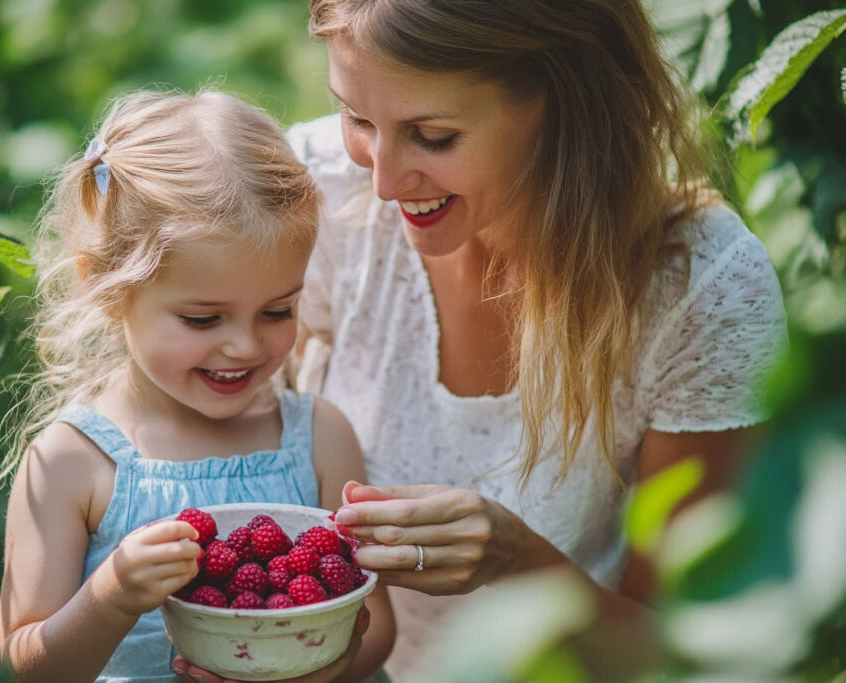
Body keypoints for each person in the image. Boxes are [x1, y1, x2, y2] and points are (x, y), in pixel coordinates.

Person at [286, 0, 788, 679]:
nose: (382, 181)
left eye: (433, 136)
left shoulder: (700, 288)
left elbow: (689, 653)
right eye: (357, 118)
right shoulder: (317, 187)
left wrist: (521, 562)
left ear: (563, 101)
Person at [0, 89, 395, 683]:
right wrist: (110, 596)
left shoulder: (319, 436)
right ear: (107, 286)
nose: (246, 346)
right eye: (204, 319)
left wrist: (326, 671)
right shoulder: (72, 464)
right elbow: (23, 664)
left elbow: (375, 624)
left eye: (278, 311)